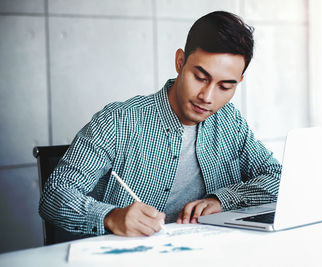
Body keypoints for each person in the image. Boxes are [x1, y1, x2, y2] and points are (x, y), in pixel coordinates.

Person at [39, 11, 282, 237]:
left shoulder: (229, 121)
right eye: (200, 77)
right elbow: (55, 194)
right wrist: (111, 217)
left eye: (225, 86)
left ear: (238, 82)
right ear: (180, 62)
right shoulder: (119, 121)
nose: (207, 97)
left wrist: (222, 200)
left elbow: (277, 177)